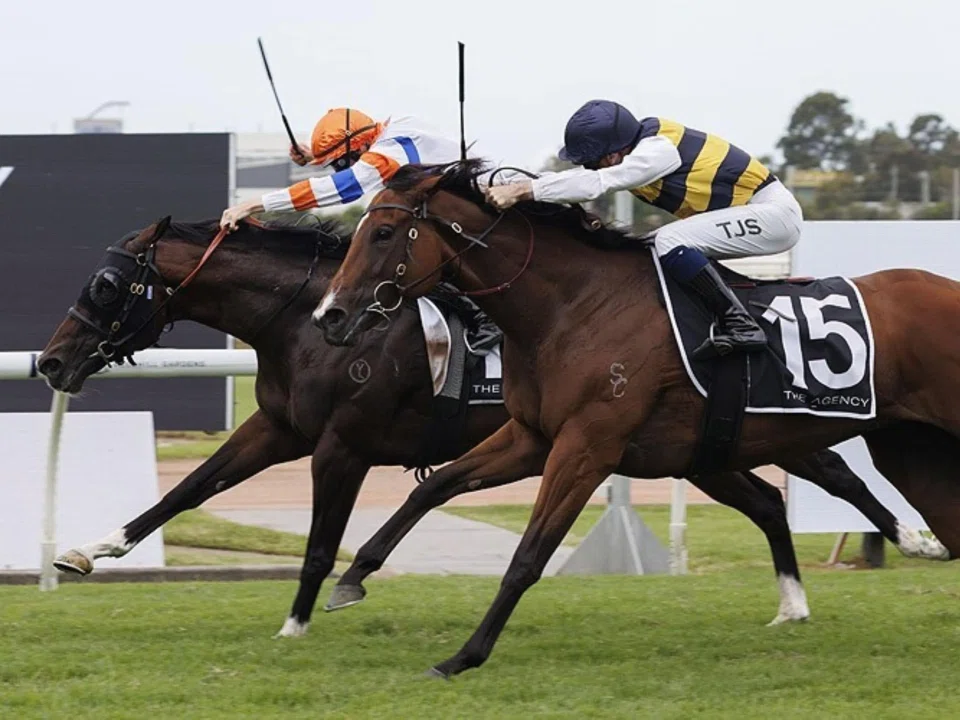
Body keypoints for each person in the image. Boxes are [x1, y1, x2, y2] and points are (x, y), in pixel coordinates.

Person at [485, 100, 803, 360]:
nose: (588, 168)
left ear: (612, 155)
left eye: (591, 162)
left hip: (773, 215)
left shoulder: (657, 152)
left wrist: (524, 190)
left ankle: (740, 324)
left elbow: (598, 184)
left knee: (669, 239)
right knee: (645, 247)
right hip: (749, 212)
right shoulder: (637, 145)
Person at [219, 107, 500, 350]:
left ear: (361, 148)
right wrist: (314, 155)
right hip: (474, 209)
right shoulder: (395, 127)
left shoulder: (386, 154)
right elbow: (356, 157)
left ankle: (487, 320)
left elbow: (346, 187)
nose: (342, 169)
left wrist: (255, 204)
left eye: (342, 162)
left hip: (495, 207)